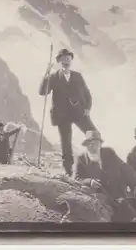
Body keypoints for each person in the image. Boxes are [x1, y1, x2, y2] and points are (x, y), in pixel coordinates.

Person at [39, 48, 98, 176]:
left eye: (68, 59)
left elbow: (87, 94)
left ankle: (96, 164)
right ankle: (68, 171)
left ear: (71, 61)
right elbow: (43, 92)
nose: (66, 61)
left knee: (94, 134)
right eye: (63, 59)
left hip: (79, 112)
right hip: (62, 115)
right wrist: (46, 75)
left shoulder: (77, 76)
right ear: (58, 62)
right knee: (66, 143)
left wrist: (88, 108)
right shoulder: (54, 77)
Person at [73, 130, 136, 222]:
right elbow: (76, 179)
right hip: (98, 197)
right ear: (86, 145)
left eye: (96, 143)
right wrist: (90, 181)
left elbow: (124, 168)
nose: (93, 147)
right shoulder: (81, 159)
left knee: (127, 211)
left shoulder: (108, 152)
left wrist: (135, 186)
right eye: (90, 143)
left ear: (100, 144)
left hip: (117, 194)